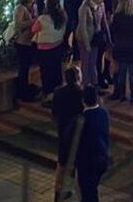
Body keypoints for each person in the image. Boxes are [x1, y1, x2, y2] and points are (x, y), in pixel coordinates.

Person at [51, 66, 85, 199]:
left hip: (63, 131)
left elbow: (54, 112)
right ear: (78, 78)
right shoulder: (81, 94)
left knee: (62, 164)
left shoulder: (58, 92)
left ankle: (58, 193)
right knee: (79, 167)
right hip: (77, 134)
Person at [75, 86, 111, 202]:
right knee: (91, 190)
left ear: (83, 101)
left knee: (88, 192)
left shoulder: (82, 119)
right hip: (101, 157)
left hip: (87, 162)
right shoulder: (103, 113)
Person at [110, 0, 133, 104]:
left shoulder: (117, 16)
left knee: (121, 73)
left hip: (121, 47)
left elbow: (113, 30)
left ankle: (122, 95)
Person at [34, 0, 69, 101]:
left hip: (44, 49)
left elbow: (34, 29)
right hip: (58, 46)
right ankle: (58, 90)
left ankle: (49, 94)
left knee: (46, 72)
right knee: (56, 69)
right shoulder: (62, 16)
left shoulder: (42, 19)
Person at [77, 0, 110, 88]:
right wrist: (87, 44)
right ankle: (86, 85)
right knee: (86, 63)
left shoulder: (101, 5)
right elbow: (82, 28)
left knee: (93, 62)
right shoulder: (84, 8)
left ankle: (95, 85)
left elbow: (104, 22)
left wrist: (109, 38)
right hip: (84, 38)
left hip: (95, 37)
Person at [12, 0, 38, 104]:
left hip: (30, 42)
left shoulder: (33, 7)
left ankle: (26, 91)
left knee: (27, 68)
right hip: (22, 42)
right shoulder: (20, 8)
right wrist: (32, 21)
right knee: (23, 69)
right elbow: (18, 25)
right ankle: (21, 93)